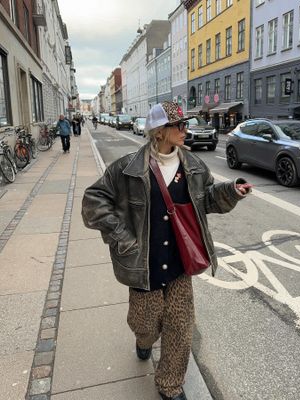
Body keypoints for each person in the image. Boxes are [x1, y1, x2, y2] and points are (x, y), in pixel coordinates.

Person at [81, 101, 252, 400]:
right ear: (160, 131)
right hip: (144, 263)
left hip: (179, 263)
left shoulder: (194, 166)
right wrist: (122, 237)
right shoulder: (127, 168)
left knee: (180, 328)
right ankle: (144, 340)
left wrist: (231, 191)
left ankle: (170, 386)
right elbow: (93, 201)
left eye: (187, 125)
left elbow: (208, 200)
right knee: (145, 322)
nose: (187, 130)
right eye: (181, 126)